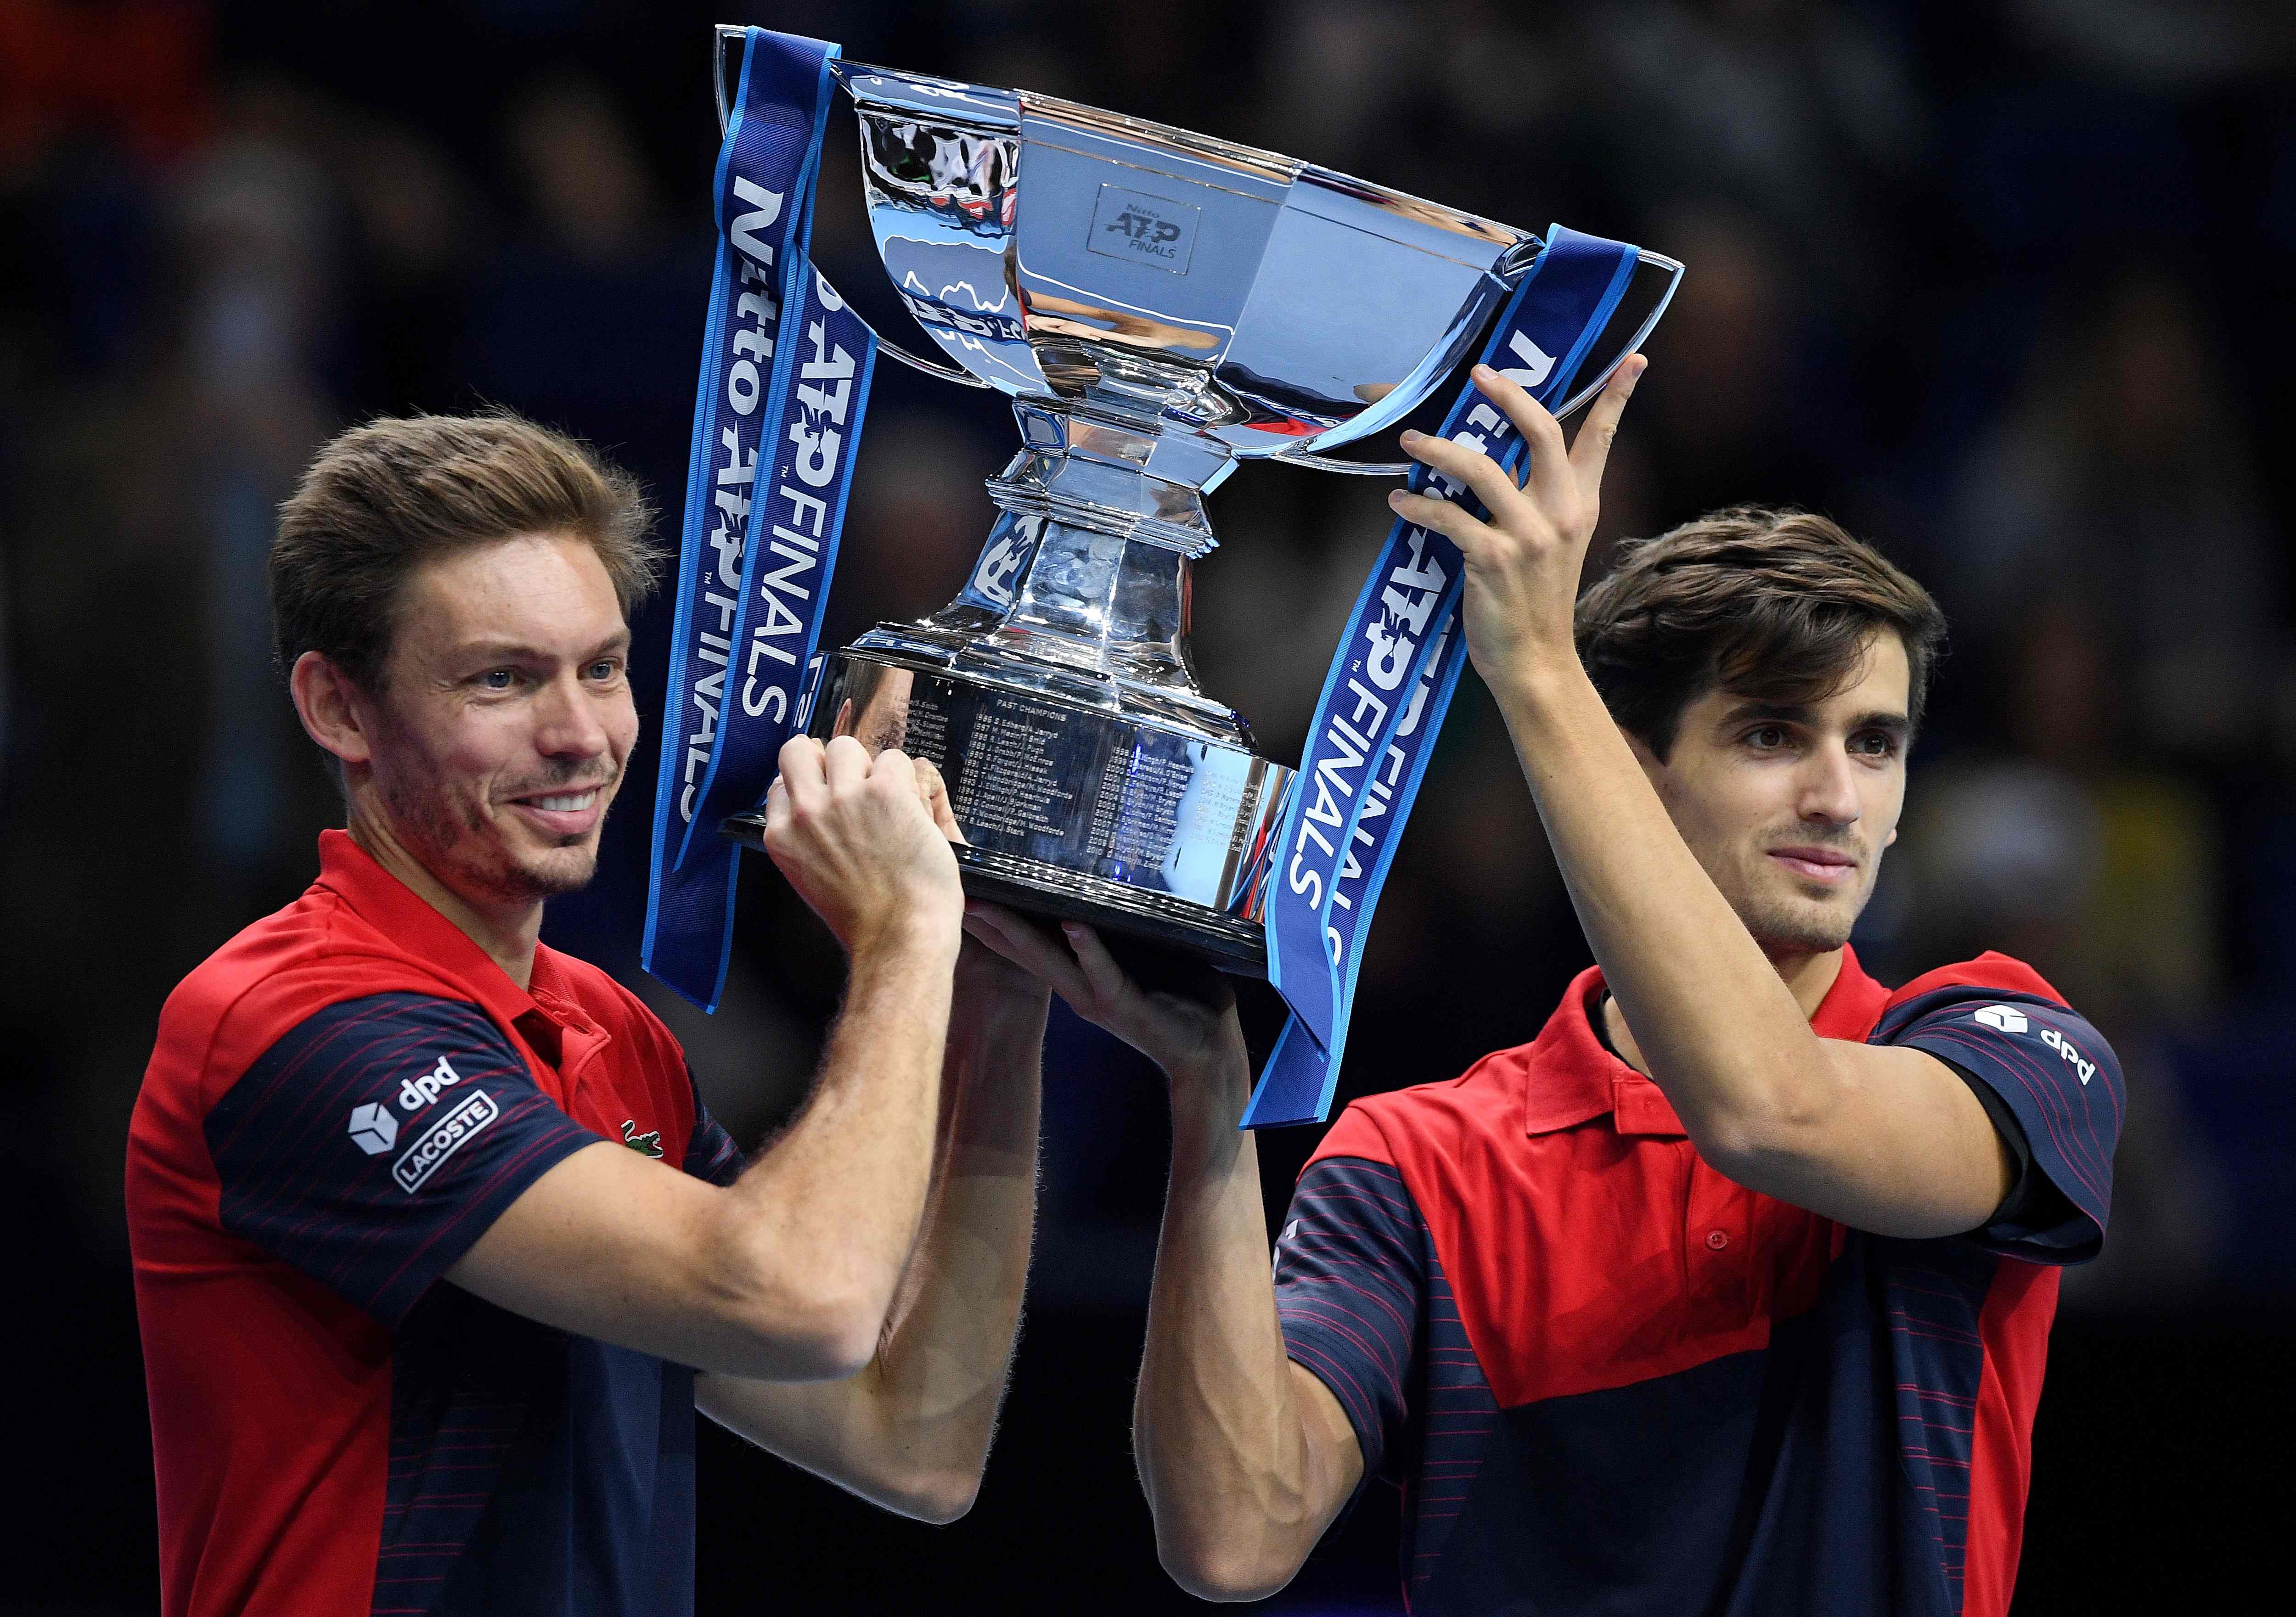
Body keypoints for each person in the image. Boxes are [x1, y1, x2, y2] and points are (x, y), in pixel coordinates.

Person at [967, 356, 2123, 1617]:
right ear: (1633, 771)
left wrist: (1538, 667)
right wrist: (1209, 1105)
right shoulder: (1419, 1162)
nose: (1839, 798)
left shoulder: (2006, 1048)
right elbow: (1236, 1532)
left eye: (1876, 744)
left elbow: (1769, 1110)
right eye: (1770, 734)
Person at [126, 413, 1049, 1617]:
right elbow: (804, 1294)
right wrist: (904, 934)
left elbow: (909, 1444)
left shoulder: (619, 1038)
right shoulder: (288, 1016)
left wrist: (997, 999)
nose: (581, 735)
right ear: (338, 709)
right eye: (501, 678)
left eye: (603, 667)